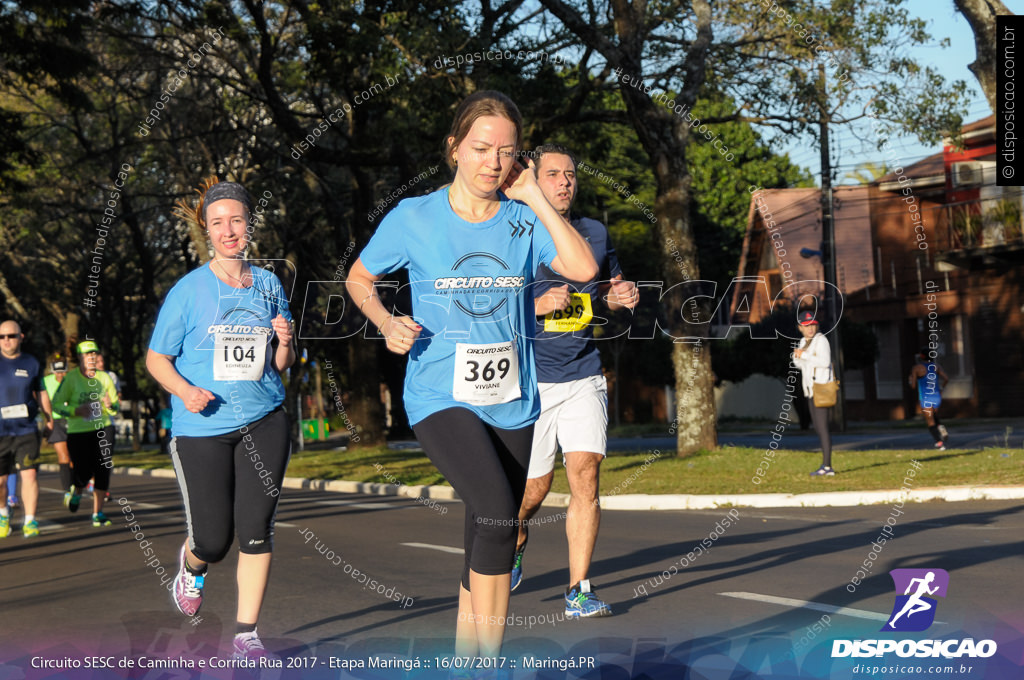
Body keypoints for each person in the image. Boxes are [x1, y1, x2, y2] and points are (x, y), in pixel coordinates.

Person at [347, 91, 598, 660]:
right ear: (454, 149)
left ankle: (466, 661)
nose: (493, 161)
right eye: (482, 148)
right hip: (440, 393)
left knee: (483, 532)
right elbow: (359, 278)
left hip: (513, 398)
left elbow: (583, 269)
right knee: (497, 516)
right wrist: (386, 320)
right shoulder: (413, 217)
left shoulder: (523, 219)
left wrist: (534, 194)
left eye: (507, 152)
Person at [147, 178, 294, 660]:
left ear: (249, 223)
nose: (228, 230)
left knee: (256, 529)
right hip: (204, 427)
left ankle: (246, 634)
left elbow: (278, 365)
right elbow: (156, 359)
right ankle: (192, 566)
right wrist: (185, 390)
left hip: (265, 419)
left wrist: (287, 342)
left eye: (236, 220)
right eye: (217, 223)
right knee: (213, 539)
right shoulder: (188, 291)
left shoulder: (269, 283)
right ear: (206, 231)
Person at [510, 144, 638, 618]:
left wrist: (618, 294)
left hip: (584, 370)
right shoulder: (512, 235)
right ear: (532, 181)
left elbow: (606, 285)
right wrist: (535, 305)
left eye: (570, 174)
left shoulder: (594, 233)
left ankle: (578, 589)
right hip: (530, 380)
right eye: (554, 174)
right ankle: (516, 535)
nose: (565, 181)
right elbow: (478, 306)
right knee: (533, 493)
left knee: (585, 475)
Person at [52, 340, 119, 525]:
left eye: (94, 354)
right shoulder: (71, 379)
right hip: (78, 431)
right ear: (80, 358)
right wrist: (76, 411)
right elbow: (56, 405)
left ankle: (98, 513)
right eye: (87, 354)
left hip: (103, 427)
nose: (91, 357)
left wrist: (110, 405)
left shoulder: (105, 378)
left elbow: (116, 407)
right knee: (83, 471)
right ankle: (77, 490)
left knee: (103, 468)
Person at [0, 319, 50, 538]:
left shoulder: (32, 362)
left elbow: (41, 392)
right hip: (1, 432)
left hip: (26, 429)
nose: (6, 340)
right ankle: (3, 513)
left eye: (11, 336)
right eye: (2, 337)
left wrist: (49, 419)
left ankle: (30, 520)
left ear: (21, 337)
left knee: (29, 475)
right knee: (0, 481)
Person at [792, 310, 834, 476]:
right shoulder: (803, 341)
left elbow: (824, 362)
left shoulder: (821, 341)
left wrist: (805, 355)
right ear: (800, 327)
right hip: (810, 390)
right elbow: (802, 365)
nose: (810, 328)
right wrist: (797, 357)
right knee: (817, 427)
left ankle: (827, 467)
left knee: (822, 428)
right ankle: (825, 465)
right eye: (806, 325)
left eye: (813, 325)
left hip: (821, 389)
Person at [908, 349, 949, 450]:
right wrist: (942, 389)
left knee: (930, 421)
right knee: (933, 416)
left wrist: (910, 380)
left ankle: (939, 443)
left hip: (926, 397)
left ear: (921, 356)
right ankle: (941, 428)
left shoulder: (917, 368)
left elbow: (913, 386)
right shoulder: (936, 366)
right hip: (936, 396)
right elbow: (946, 379)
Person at [42, 358, 72, 495]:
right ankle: (67, 490)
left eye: (63, 372)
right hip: (56, 421)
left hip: (73, 420)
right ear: (53, 372)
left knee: (74, 457)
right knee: (63, 456)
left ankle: (76, 484)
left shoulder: (73, 380)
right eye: (57, 372)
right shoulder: (46, 382)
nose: (60, 375)